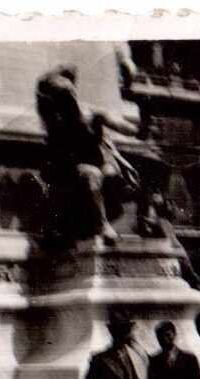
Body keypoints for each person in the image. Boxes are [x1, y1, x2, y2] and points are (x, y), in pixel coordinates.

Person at [35, 65, 140, 246]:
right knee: (92, 174)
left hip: (99, 162)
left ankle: (123, 218)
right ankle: (102, 225)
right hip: (70, 169)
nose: (70, 98)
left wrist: (133, 129)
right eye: (64, 97)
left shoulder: (92, 113)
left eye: (71, 93)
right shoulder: (56, 122)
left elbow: (120, 125)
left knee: (110, 174)